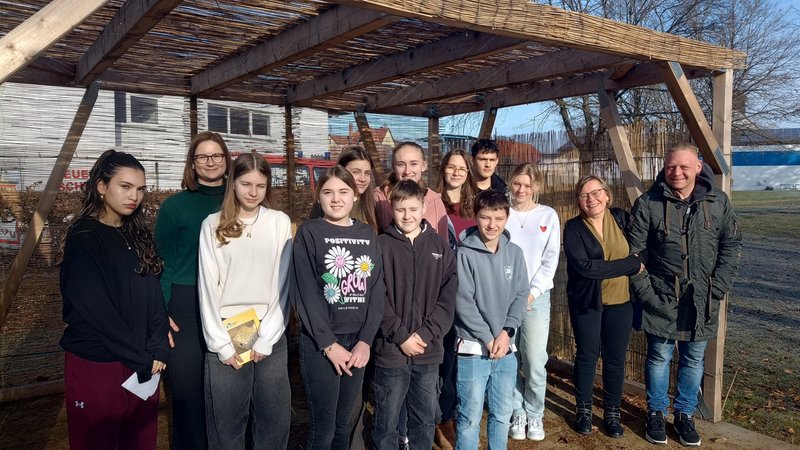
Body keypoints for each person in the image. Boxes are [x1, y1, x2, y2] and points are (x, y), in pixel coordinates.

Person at [629, 143, 742, 447]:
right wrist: (647, 294)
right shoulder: (648, 203)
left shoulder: (718, 202)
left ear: (698, 167)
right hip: (660, 296)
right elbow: (634, 254)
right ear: (664, 168)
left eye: (683, 166)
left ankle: (684, 415)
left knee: (693, 359)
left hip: (702, 298)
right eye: (670, 167)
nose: (676, 172)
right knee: (659, 357)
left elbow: (731, 246)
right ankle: (655, 412)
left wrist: (717, 287)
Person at [60, 149, 169, 450]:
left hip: (143, 363)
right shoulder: (84, 237)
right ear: (101, 186)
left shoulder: (136, 234)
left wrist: (158, 345)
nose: (134, 196)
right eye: (125, 186)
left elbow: (154, 292)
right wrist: (141, 358)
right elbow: (96, 310)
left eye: (140, 189)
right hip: (98, 362)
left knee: (140, 442)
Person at [197, 152, 292, 449]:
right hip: (227, 331)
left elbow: (284, 284)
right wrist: (221, 344)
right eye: (246, 184)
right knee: (226, 427)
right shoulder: (212, 225)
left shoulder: (279, 222)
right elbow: (207, 288)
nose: (253, 192)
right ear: (232, 183)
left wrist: (268, 337)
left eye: (261, 185)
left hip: (269, 332)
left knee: (274, 423)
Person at [292, 166, 386, 450]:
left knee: (344, 427)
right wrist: (328, 345)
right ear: (318, 196)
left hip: (357, 343)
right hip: (321, 345)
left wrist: (365, 342)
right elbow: (305, 293)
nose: (336, 199)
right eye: (328, 192)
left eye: (343, 192)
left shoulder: (367, 234)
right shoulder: (309, 233)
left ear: (355, 195)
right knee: (323, 430)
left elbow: (376, 290)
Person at [154, 131, 231, 449]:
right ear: (193, 163)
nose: (210, 162)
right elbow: (162, 265)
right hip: (185, 304)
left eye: (217, 155)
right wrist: (160, 313)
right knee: (188, 395)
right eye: (203, 156)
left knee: (230, 391)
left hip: (232, 302)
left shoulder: (240, 201)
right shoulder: (174, 207)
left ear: (227, 161)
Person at [372, 180, 458, 450]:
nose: (407, 215)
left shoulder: (440, 248)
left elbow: (447, 299)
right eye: (400, 209)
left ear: (423, 207)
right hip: (391, 352)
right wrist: (400, 336)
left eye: (412, 208)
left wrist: (424, 334)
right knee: (386, 422)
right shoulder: (380, 246)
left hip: (427, 351)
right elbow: (376, 297)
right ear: (392, 210)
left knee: (423, 421)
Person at [563, 175, 644, 438]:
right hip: (587, 303)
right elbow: (586, 268)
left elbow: (641, 250)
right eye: (585, 195)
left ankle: (612, 413)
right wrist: (629, 265)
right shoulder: (573, 228)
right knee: (587, 356)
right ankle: (583, 411)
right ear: (579, 201)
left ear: (607, 195)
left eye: (596, 192)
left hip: (621, 303)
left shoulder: (622, 219)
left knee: (615, 360)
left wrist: (634, 261)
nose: (591, 199)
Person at [454, 189, 528, 450]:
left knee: (501, 414)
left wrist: (506, 332)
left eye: (498, 218)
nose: (492, 225)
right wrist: (487, 337)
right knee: (469, 416)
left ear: (507, 218)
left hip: (506, 350)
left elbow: (521, 295)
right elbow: (463, 301)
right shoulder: (464, 254)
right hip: (474, 350)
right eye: (486, 218)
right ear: (476, 217)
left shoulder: (515, 254)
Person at [506, 163, 560, 441]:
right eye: (517, 183)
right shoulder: (502, 213)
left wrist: (531, 293)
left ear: (536, 187)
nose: (521, 190)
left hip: (535, 298)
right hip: (504, 297)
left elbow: (550, 259)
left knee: (535, 359)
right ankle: (517, 410)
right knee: (510, 356)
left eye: (527, 185)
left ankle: (535, 413)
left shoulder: (548, 215)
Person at [433, 149, 478, 449]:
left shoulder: (475, 209)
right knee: (445, 359)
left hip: (470, 293)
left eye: (462, 168)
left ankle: (466, 412)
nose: (456, 172)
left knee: (467, 359)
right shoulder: (432, 204)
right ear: (444, 170)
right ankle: (442, 416)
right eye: (451, 167)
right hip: (440, 293)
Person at [375, 141, 448, 241]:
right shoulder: (379, 198)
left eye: (413, 164)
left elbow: (443, 245)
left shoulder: (435, 200)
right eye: (401, 164)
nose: (407, 171)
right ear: (393, 167)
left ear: (424, 166)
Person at [309, 146, 379, 231]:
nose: (363, 179)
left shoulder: (373, 204)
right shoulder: (328, 204)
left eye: (367, 173)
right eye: (355, 172)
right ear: (341, 171)